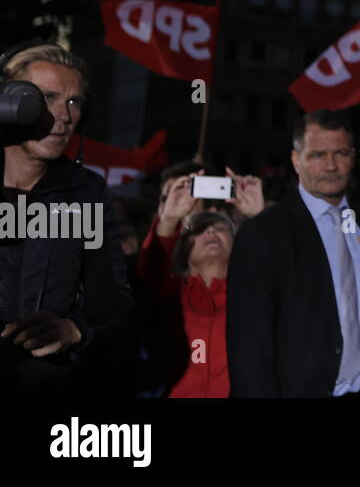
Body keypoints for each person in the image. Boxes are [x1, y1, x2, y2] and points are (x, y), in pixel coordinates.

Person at [226, 110, 360, 397]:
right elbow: (250, 347)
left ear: (353, 157)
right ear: (296, 160)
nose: (331, 165)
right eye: (318, 155)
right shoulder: (264, 233)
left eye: (340, 153)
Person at [0, 43, 131, 397]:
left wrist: (76, 330)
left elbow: (113, 301)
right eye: (47, 97)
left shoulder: (87, 192)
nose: (65, 115)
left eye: (74, 102)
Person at [135, 168, 264, 397]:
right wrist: (169, 219)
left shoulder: (254, 294)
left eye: (221, 227)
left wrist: (260, 217)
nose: (211, 231)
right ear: (182, 248)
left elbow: (291, 276)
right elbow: (149, 273)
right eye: (199, 229)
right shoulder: (171, 292)